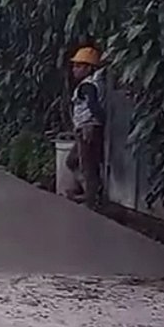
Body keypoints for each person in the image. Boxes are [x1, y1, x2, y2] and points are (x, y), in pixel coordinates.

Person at [66, 45, 106, 209]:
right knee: (73, 161)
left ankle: (91, 202)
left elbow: (93, 104)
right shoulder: (94, 82)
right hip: (85, 128)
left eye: (79, 66)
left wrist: (100, 120)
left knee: (88, 166)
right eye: (75, 65)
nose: (74, 69)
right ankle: (88, 193)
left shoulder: (87, 86)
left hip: (87, 129)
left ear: (89, 68)